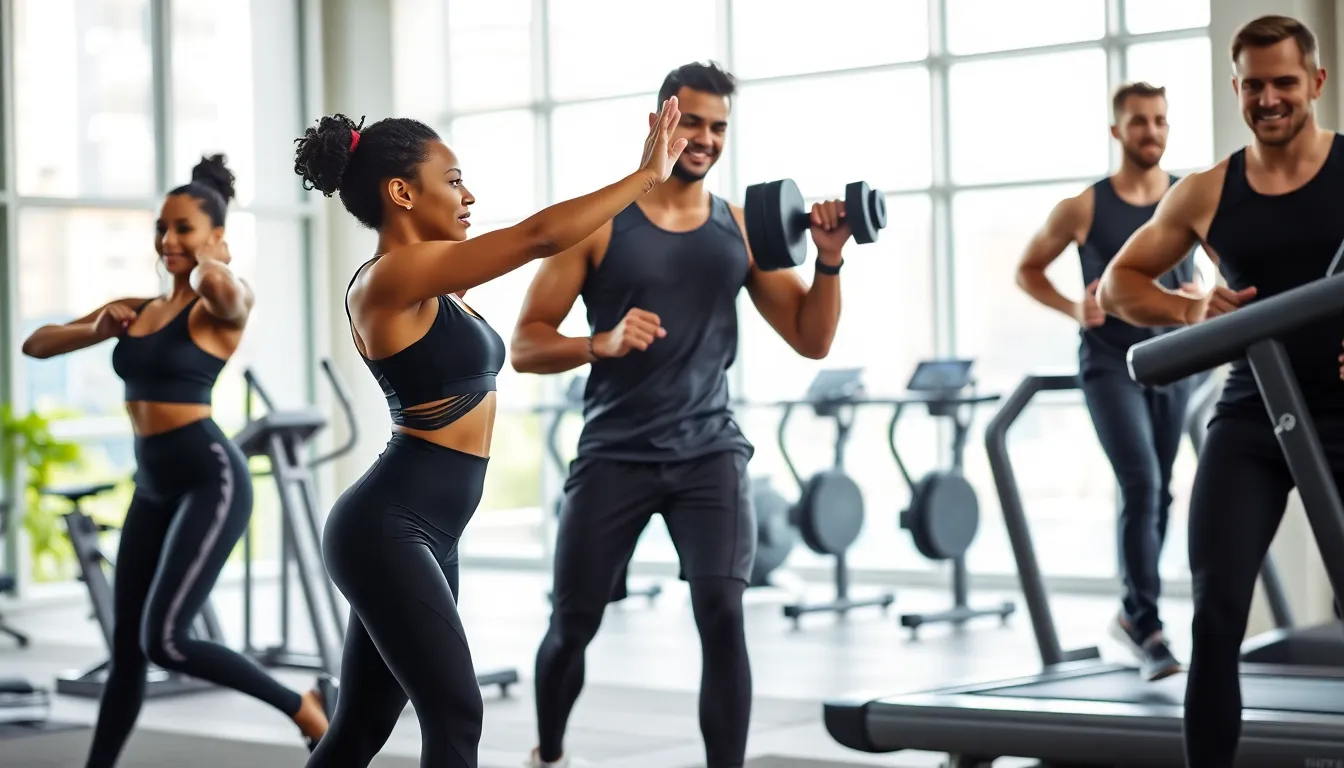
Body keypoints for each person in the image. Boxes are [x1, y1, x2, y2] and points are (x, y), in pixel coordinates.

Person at [289, 95, 689, 768]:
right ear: (400, 193)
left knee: (360, 726)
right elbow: (537, 237)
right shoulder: (389, 279)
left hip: (425, 529)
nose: (468, 195)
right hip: (389, 527)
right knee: (456, 715)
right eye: (452, 181)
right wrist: (645, 175)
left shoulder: (439, 286)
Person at [510, 61, 853, 768]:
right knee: (574, 622)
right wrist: (595, 343)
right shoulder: (601, 226)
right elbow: (525, 345)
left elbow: (811, 339)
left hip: (709, 452)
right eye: (692, 121)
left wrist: (827, 261)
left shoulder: (739, 227)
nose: (704, 139)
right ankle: (549, 753)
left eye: (718, 127)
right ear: (659, 121)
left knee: (723, 615)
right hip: (614, 452)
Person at [21, 156, 332, 766]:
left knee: (165, 639)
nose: (167, 240)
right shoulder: (136, 308)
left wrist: (212, 259)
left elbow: (226, 291)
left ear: (217, 236)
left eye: (183, 228)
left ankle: (305, 707)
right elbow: (37, 344)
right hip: (153, 483)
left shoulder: (219, 304)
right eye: (161, 228)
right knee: (130, 649)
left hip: (208, 477)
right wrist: (98, 328)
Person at [1097, 15, 1344, 767]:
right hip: (1255, 415)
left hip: (1342, 413)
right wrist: (1193, 310)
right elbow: (1117, 286)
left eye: (1285, 83)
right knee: (1215, 621)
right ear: (1236, 87)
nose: (1269, 98)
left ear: (1317, 84)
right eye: (1254, 84)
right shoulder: (1209, 190)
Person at [1015, 81, 1198, 682]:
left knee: (1161, 491)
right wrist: (1073, 307)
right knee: (1141, 483)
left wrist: (1203, 296)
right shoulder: (1084, 208)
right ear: (1117, 131)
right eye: (1140, 121)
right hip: (1109, 366)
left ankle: (1130, 614)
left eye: (1161, 121)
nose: (1152, 131)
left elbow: (1224, 267)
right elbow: (1027, 270)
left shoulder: (1186, 197)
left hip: (1173, 361)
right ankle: (1146, 626)